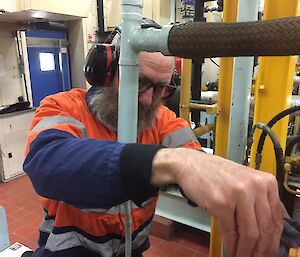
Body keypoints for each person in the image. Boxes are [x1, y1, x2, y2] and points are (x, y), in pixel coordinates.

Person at [23, 23, 283, 257]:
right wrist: (166, 163)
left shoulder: (162, 119)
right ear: (106, 71)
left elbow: (193, 158)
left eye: (161, 88)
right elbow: (46, 161)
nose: (149, 100)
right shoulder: (62, 107)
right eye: (140, 82)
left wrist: (239, 193)